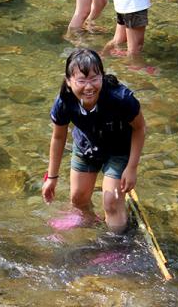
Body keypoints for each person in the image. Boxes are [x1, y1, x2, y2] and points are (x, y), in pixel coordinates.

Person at [41, 48, 146, 233]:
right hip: (86, 147)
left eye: (94, 79)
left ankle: (117, 241)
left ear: (102, 77)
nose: (89, 87)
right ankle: (89, 222)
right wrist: (52, 177)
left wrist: (131, 168)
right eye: (81, 81)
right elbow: (58, 137)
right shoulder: (64, 102)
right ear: (68, 81)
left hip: (119, 149)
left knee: (111, 202)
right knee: (78, 199)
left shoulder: (120, 98)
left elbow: (140, 128)